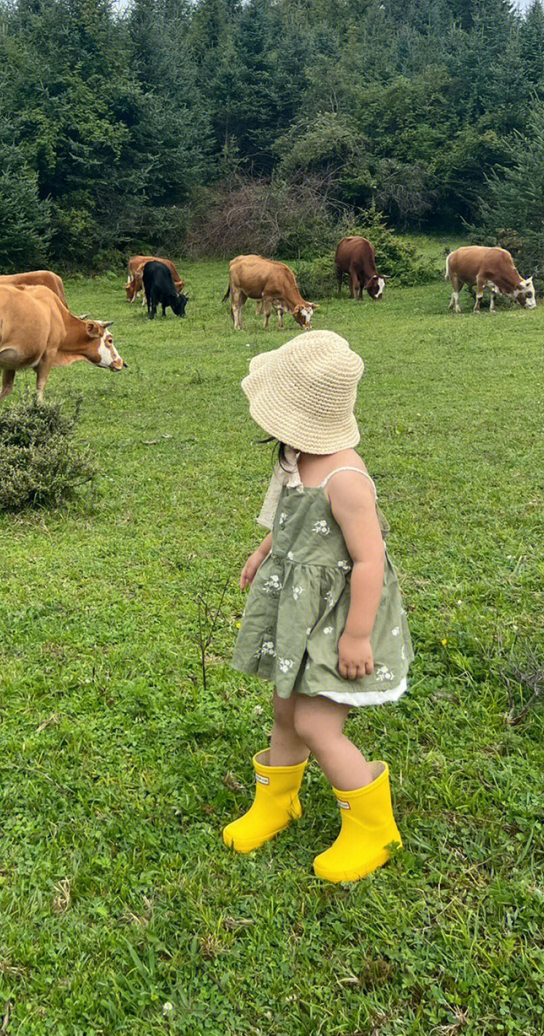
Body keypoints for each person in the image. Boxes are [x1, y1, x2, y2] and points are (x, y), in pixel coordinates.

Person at [223, 329, 412, 881]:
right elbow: (286, 521)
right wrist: (264, 553)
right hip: (299, 608)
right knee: (285, 707)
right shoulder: (296, 456)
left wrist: (356, 636)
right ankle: (277, 803)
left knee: (315, 722)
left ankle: (375, 829)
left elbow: (371, 560)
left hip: (338, 619)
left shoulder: (347, 478)